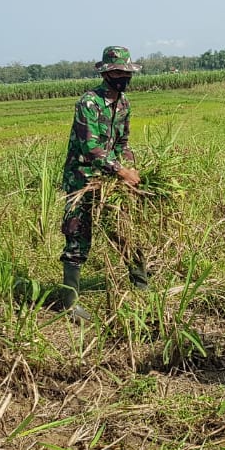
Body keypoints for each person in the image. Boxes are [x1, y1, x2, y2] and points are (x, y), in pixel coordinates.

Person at [55, 45, 150, 321]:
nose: (123, 77)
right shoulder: (88, 103)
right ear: (107, 73)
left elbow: (123, 143)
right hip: (82, 180)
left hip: (110, 180)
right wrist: (122, 171)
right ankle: (70, 305)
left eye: (126, 72)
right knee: (77, 238)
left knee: (124, 231)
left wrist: (131, 167)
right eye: (118, 72)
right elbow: (90, 148)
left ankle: (142, 287)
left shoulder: (123, 104)